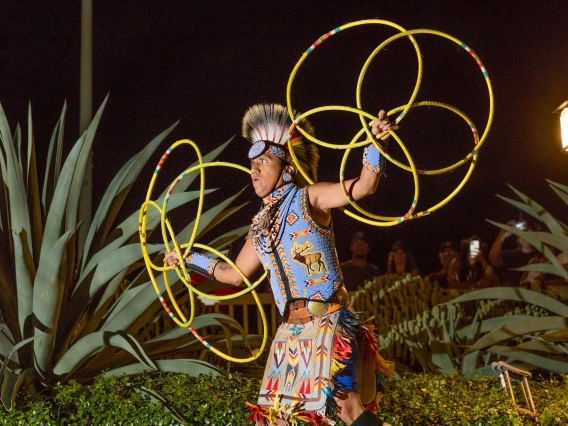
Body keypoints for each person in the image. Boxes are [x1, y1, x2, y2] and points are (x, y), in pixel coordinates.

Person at [164, 103, 396, 426]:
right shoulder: (259, 226)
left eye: (264, 161)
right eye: (252, 163)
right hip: (289, 332)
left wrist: (376, 142)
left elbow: (365, 185)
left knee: (346, 408)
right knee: (269, 420)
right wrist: (189, 258)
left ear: (287, 167)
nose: (254, 170)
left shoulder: (310, 197)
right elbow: (233, 274)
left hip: (327, 322)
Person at [488, 219, 538, 286]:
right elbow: (493, 259)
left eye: (528, 232)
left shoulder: (539, 256)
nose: (525, 235)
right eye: (522, 232)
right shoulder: (510, 255)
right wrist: (502, 235)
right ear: (517, 239)